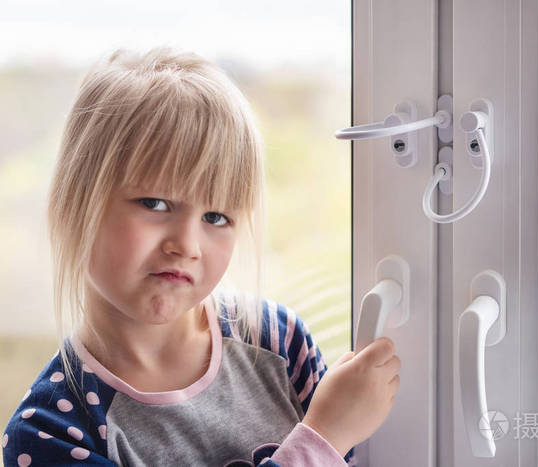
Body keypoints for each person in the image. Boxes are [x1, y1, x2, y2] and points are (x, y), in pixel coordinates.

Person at [1, 47, 401, 467]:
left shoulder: (278, 342)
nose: (187, 245)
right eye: (155, 204)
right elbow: (328, 443)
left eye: (216, 216)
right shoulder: (48, 432)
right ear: (75, 202)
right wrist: (324, 436)